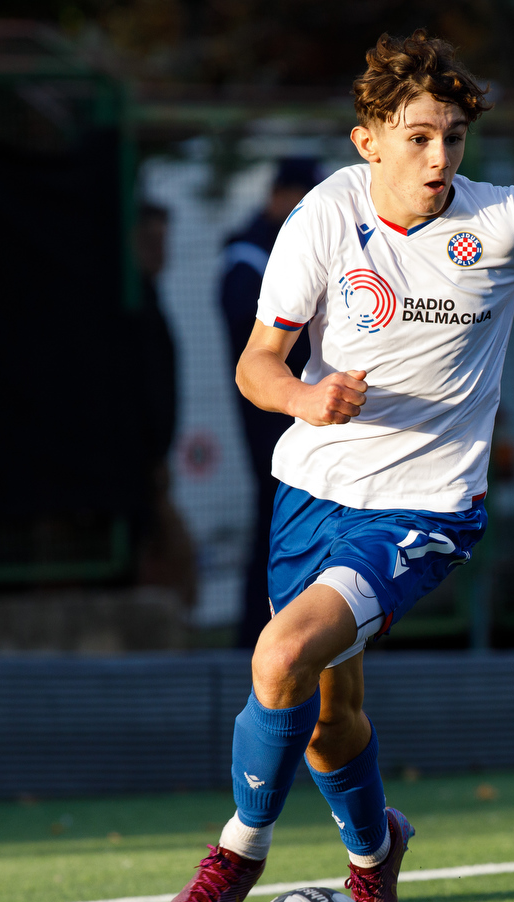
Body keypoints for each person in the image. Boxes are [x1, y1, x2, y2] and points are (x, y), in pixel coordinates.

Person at [156, 30, 514, 902]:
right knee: (327, 718)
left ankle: (236, 851)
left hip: (426, 509)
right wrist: (303, 394)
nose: (439, 158)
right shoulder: (322, 218)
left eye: (454, 138)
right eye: (419, 136)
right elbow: (258, 362)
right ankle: (375, 856)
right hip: (311, 493)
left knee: (278, 654)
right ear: (367, 140)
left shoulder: (502, 220)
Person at [219, 159, 320, 648]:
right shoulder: (248, 256)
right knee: (276, 522)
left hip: (306, 413)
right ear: (280, 195)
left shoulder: (284, 248)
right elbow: (257, 344)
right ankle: (255, 638)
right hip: (269, 418)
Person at [132, 201, 198, 610]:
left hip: (151, 463)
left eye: (164, 240)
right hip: (132, 467)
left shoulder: (150, 298)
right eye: (150, 240)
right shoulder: (129, 304)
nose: (161, 250)